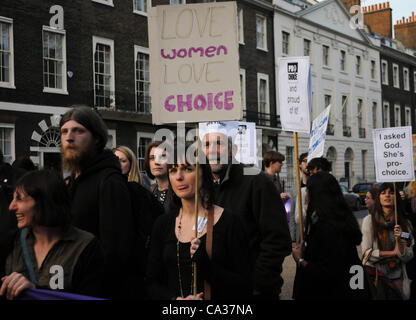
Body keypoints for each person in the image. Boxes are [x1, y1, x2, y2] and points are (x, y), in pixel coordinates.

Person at [146, 142, 251, 300]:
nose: (179, 177)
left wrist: (208, 267)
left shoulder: (229, 222)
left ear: (204, 173)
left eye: (188, 169)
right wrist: (176, 300)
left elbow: (244, 285)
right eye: (173, 170)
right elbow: (151, 283)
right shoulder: (163, 224)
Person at [60, 106, 140, 299]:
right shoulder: (71, 182)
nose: (69, 137)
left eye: (78, 131)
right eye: (64, 131)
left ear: (96, 139)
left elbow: (115, 251)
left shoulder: (109, 182)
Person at [202, 128, 291, 299]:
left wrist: (258, 284)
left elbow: (277, 239)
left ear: (233, 150)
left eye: (219, 143)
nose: (212, 150)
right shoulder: (202, 188)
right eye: (207, 144)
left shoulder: (257, 181)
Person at [0, 170, 104, 300]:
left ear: (44, 201)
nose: (11, 206)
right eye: (13, 198)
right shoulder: (10, 243)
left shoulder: (86, 247)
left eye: (19, 199)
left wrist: (36, 292)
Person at [292, 171, 368, 300]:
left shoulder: (327, 227)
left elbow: (328, 272)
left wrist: (300, 260)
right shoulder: (341, 220)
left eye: (308, 190)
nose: (306, 195)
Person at [361, 183, 414, 300]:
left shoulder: (405, 224)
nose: (387, 196)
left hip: (398, 278)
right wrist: (392, 253)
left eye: (391, 193)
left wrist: (400, 242)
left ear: (396, 197)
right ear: (378, 198)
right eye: (383, 193)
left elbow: (408, 255)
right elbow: (366, 253)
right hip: (376, 277)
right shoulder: (369, 221)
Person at [144, 141, 171, 212]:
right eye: (152, 158)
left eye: (163, 156)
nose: (156, 162)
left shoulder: (179, 192)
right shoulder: (151, 190)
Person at [289, 152, 309, 246]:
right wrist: (292, 239)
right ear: (300, 165)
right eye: (305, 161)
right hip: (299, 235)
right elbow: (291, 214)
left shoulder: (318, 186)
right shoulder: (294, 189)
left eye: (310, 161)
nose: (307, 163)